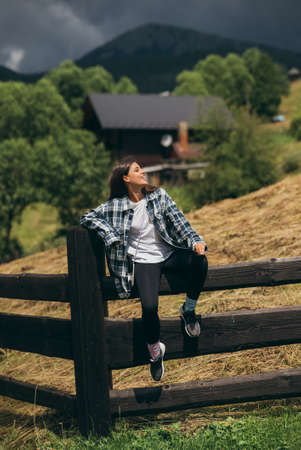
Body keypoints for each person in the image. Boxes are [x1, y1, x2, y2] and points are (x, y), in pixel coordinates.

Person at [80, 156, 208, 382]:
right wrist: (110, 236)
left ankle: (189, 310)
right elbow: (87, 217)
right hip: (143, 260)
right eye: (137, 170)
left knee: (200, 260)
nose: (143, 172)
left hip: (169, 253)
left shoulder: (159, 195)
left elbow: (181, 223)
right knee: (149, 307)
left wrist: (195, 241)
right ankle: (155, 351)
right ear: (126, 178)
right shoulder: (115, 206)